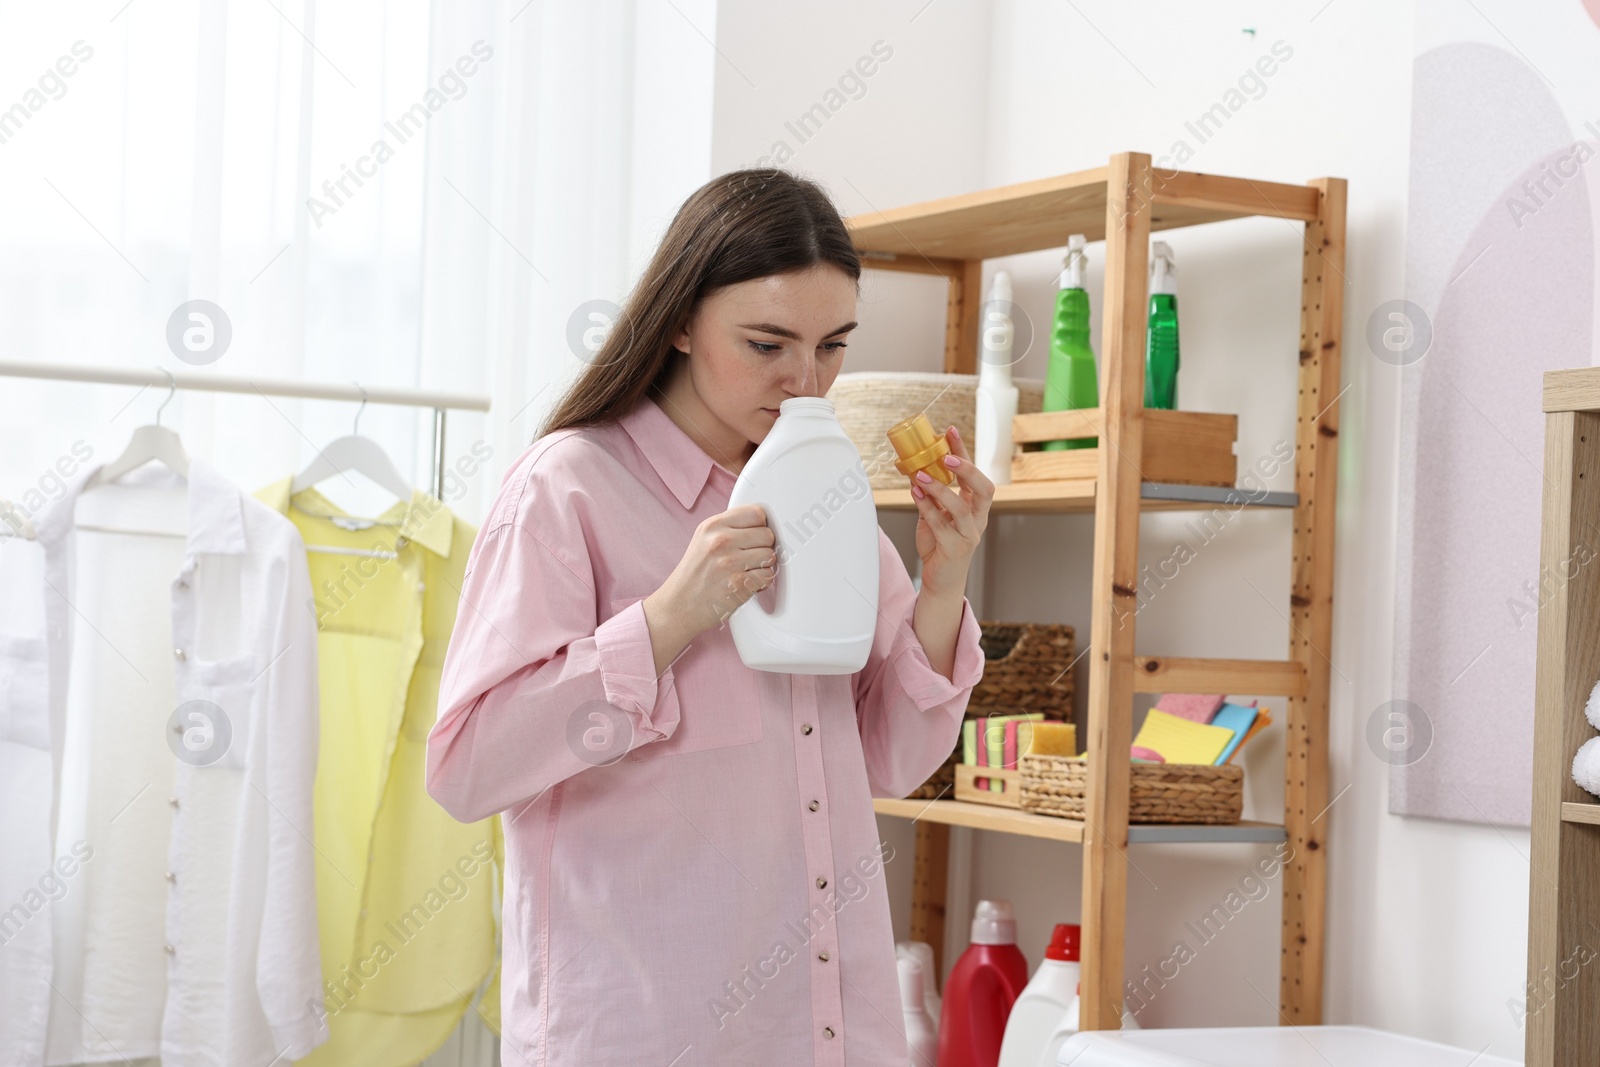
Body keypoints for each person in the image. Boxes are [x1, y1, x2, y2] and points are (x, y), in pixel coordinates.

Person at [426, 167, 993, 1066]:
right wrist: (666, 621)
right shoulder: (567, 488)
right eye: (768, 344)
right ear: (682, 320)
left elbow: (890, 757)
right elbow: (466, 768)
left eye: (833, 345)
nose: (806, 381)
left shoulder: (828, 490)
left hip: (826, 1035)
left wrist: (943, 582)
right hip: (641, 1034)